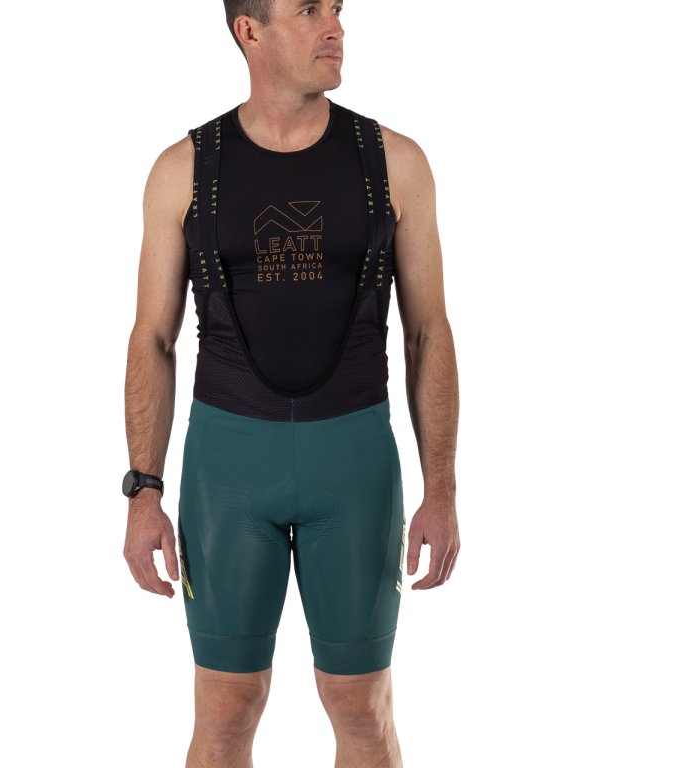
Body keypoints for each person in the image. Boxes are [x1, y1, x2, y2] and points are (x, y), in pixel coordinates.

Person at [122, 1, 460, 765]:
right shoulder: (183, 170)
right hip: (228, 470)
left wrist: (441, 488)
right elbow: (151, 339)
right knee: (226, 709)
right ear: (250, 31)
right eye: (308, 10)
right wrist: (144, 491)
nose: (335, 27)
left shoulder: (395, 162)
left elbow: (428, 333)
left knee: (362, 708)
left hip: (356, 467)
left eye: (336, 8)